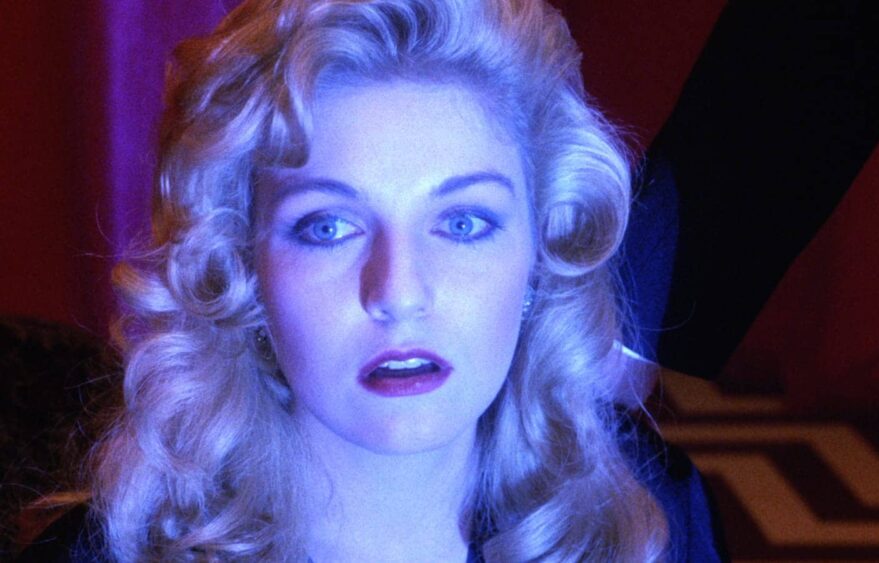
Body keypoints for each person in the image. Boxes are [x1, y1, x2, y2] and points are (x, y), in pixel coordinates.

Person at [18, 0, 725, 560]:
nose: (399, 293)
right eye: (328, 227)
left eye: (463, 223)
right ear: (242, 270)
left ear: (542, 254)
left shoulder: (649, 519)